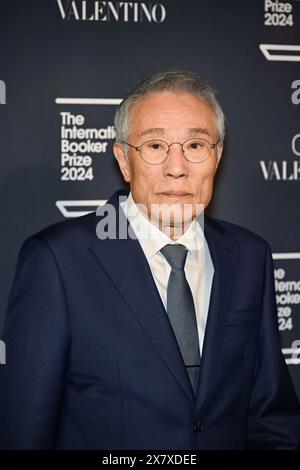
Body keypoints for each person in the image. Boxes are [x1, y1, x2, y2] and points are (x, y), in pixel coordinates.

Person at [0, 70, 299, 450]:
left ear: (217, 156)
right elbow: (27, 427)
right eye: (156, 146)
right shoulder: (57, 261)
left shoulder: (250, 256)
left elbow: (272, 416)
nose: (177, 167)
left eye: (195, 145)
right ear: (124, 160)